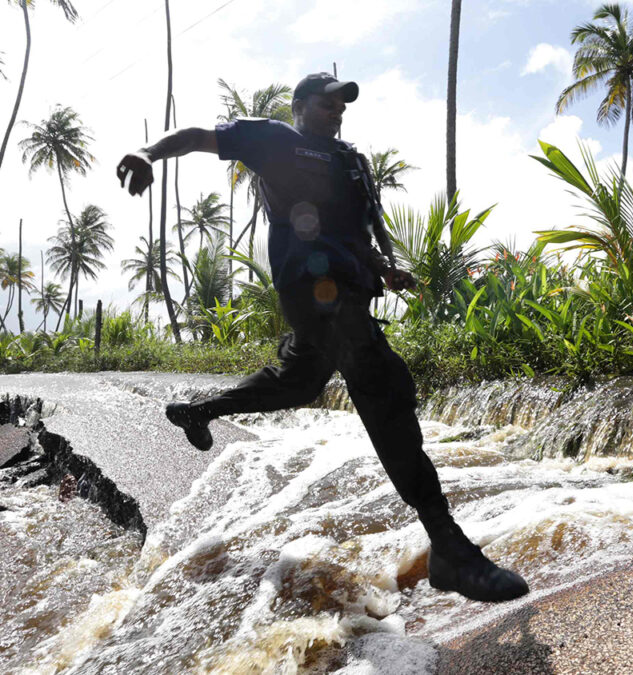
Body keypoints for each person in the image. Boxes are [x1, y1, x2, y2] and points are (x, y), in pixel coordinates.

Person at [116, 73, 528, 603]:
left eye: (341, 106)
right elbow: (198, 135)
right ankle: (448, 546)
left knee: (299, 383)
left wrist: (384, 269)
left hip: (349, 292)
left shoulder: (350, 163)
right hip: (310, 289)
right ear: (300, 106)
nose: (336, 111)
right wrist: (146, 150)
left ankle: (200, 410)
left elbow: (351, 235)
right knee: (384, 385)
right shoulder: (274, 139)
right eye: (326, 103)